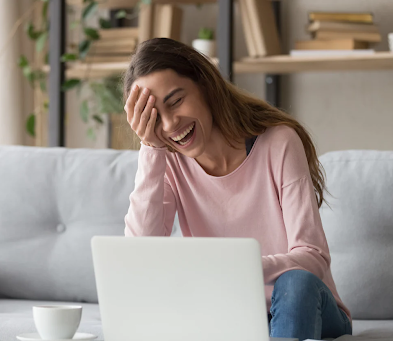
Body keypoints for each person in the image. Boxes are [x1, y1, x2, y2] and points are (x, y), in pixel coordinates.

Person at [122, 37, 352, 340]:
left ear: (204, 85)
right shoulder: (169, 163)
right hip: (232, 312)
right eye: (154, 117)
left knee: (296, 283)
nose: (169, 125)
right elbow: (141, 255)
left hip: (310, 307)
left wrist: (242, 268)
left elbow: (313, 257)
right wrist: (151, 149)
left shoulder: (279, 143)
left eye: (176, 101)